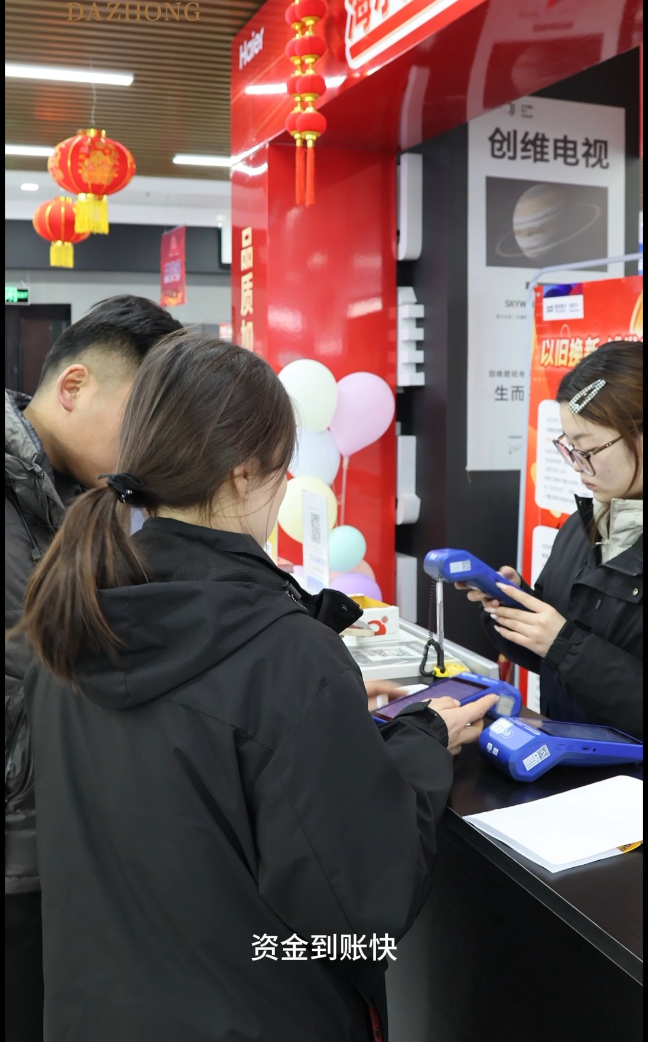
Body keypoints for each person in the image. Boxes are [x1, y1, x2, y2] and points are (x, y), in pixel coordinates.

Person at [19, 332, 497, 1042]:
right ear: (245, 471)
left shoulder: (68, 617)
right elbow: (361, 909)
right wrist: (420, 743)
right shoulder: (285, 657)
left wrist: (325, 716)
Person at [5, 295, 183, 1042]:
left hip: (65, 847)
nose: (144, 450)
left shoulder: (78, 499)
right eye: (138, 422)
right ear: (73, 386)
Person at [460, 341, 642, 738]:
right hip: (566, 755)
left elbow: (565, 646)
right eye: (569, 448)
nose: (578, 466)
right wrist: (513, 605)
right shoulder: (582, 525)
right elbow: (553, 655)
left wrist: (562, 643)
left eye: (588, 449)